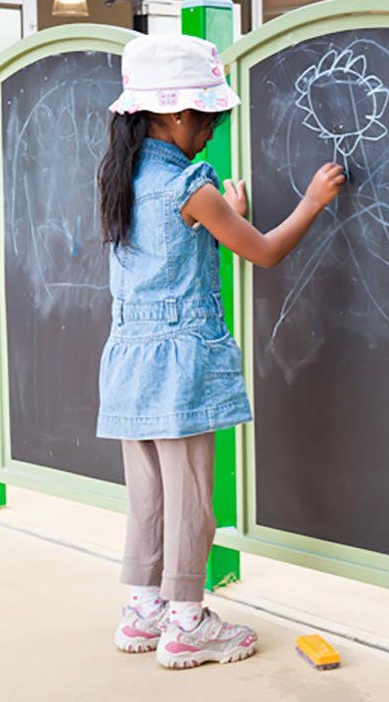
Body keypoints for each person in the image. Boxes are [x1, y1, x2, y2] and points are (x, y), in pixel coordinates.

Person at [95, 34, 344, 669]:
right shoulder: (189, 186)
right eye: (208, 119)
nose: (211, 132)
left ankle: (143, 609)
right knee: (192, 498)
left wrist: (219, 214)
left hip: (129, 357)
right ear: (177, 115)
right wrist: (313, 202)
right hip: (180, 361)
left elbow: (172, 252)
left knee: (149, 493)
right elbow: (263, 251)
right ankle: (186, 622)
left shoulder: (124, 179)